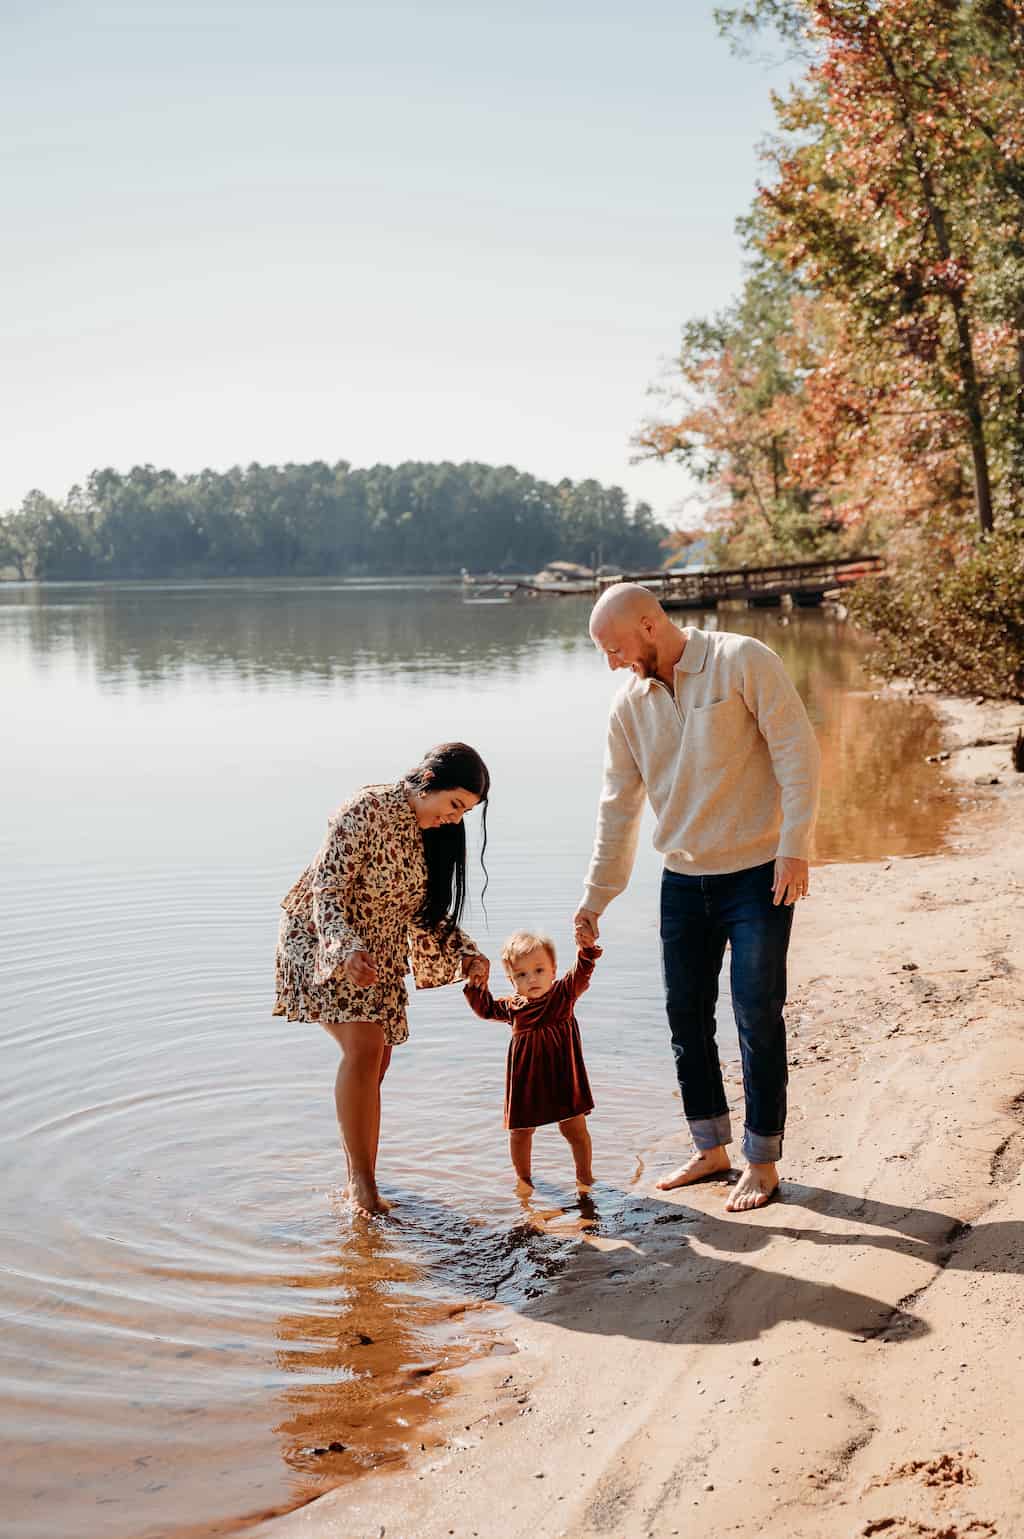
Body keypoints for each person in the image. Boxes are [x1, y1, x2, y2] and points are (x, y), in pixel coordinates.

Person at [573, 584, 821, 1213]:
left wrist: (795, 844)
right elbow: (617, 807)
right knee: (686, 1017)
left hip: (760, 873)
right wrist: (595, 899)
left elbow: (797, 751)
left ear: (650, 625)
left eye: (616, 647)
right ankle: (711, 1150)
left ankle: (762, 1160)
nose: (612, 662)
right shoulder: (628, 704)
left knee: (756, 1015)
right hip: (682, 880)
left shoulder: (742, 660)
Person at [273, 742, 491, 1216]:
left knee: (378, 1059)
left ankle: (358, 1173)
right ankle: (363, 1188)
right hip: (322, 939)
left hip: (380, 953)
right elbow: (323, 890)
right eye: (455, 805)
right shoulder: (365, 808)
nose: (456, 819)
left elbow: (426, 914)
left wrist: (469, 954)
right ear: (428, 781)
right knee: (366, 1049)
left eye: (466, 813)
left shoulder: (434, 833)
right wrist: (345, 949)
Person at [464, 930, 600, 1191]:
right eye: (521, 974)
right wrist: (476, 984)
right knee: (520, 1131)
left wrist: (587, 952)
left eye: (539, 970)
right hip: (527, 1080)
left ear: (553, 970)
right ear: (511, 979)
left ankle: (585, 1176)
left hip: (563, 1076)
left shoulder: (563, 994)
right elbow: (486, 1009)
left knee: (574, 1128)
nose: (532, 979)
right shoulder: (514, 1007)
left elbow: (581, 973)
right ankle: (524, 1181)